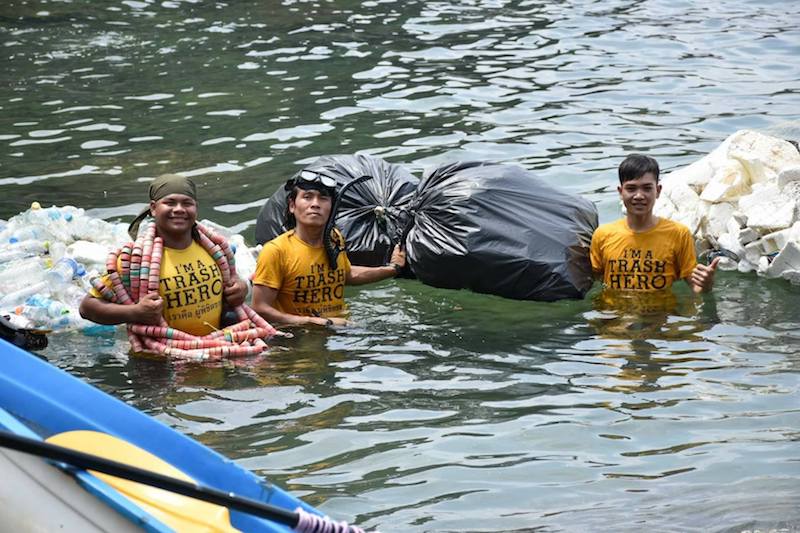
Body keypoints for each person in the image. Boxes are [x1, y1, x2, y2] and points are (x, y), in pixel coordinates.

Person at [79, 174, 248, 336]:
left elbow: (233, 281)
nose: (179, 209)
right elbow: (87, 308)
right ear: (153, 208)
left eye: (187, 203)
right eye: (170, 203)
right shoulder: (134, 261)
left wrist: (241, 288)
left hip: (217, 349)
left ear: (196, 207)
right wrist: (134, 312)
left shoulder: (214, 250)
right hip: (160, 358)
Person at [251, 171, 406, 326]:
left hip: (343, 331)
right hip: (299, 338)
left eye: (323, 198)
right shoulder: (276, 251)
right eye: (307, 197)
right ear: (292, 205)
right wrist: (316, 322)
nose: (315, 204)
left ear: (332, 207)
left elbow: (346, 274)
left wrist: (392, 269)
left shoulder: (334, 238)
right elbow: (260, 308)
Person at [590, 154, 719, 294]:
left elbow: (695, 287)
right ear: (621, 192)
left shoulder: (678, 234)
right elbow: (595, 281)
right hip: (612, 314)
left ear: (657, 191)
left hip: (659, 314)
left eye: (647, 188)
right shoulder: (603, 234)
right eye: (631, 188)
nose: (639, 196)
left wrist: (706, 285)